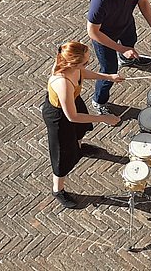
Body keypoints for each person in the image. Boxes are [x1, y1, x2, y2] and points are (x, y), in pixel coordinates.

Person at [42, 41, 122, 208]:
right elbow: (72, 117)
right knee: (61, 153)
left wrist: (108, 77)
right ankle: (58, 189)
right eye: (85, 62)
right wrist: (104, 119)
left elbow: (82, 73)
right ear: (72, 63)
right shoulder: (62, 82)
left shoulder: (74, 68)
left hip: (73, 102)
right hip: (59, 116)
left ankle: (79, 149)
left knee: (79, 131)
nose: (88, 63)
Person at [87, 0, 151, 114]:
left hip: (125, 23)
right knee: (109, 71)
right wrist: (121, 48)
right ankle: (99, 101)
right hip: (104, 36)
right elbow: (93, 32)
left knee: (131, 41)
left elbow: (143, 2)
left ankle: (126, 59)